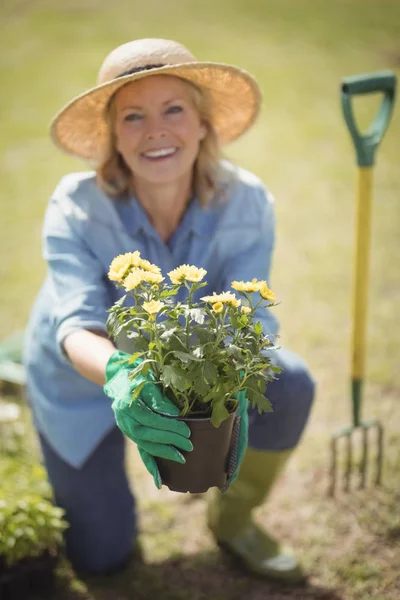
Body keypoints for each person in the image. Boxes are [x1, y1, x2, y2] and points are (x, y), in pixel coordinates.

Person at [23, 38, 315, 582]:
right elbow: (77, 323)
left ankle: (233, 519)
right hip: (82, 384)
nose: (155, 129)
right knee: (102, 558)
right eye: (133, 116)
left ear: (203, 124)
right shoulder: (75, 204)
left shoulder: (245, 200)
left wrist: (233, 388)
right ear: (113, 137)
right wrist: (120, 373)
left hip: (192, 370)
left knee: (290, 382)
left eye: (173, 109)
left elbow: (250, 322)